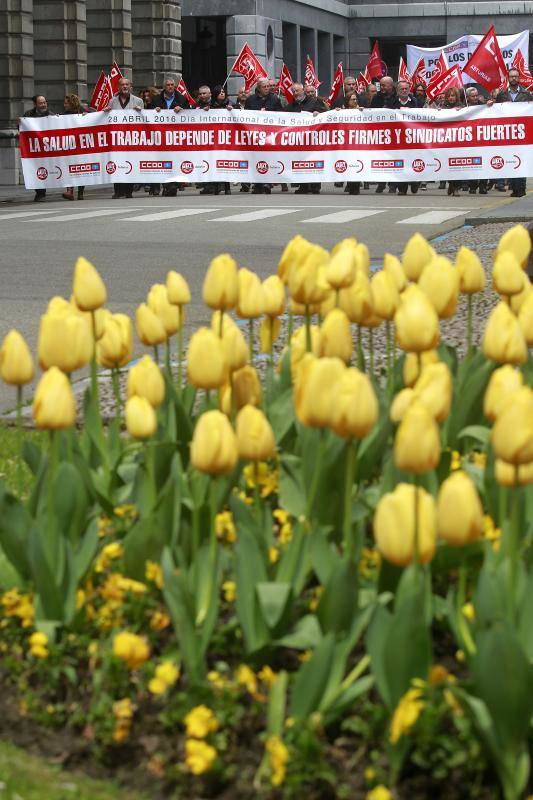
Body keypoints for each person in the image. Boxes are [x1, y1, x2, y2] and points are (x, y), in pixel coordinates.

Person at [489, 68, 532, 197]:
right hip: (507, 133)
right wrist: (491, 104)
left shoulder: (527, 95)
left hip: (522, 133)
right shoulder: (502, 95)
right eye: (512, 76)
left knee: (522, 161)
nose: (514, 78)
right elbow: (496, 111)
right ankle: (514, 188)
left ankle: (521, 189)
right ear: (508, 78)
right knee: (511, 161)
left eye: (516, 76)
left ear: (519, 78)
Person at [104, 78, 143, 199]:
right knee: (117, 163)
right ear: (118, 87)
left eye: (127, 84)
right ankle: (118, 190)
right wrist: (105, 112)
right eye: (122, 85)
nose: (124, 86)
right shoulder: (112, 101)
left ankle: (128, 191)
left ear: (130, 87)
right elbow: (107, 118)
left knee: (130, 163)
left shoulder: (138, 101)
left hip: (131, 137)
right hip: (117, 138)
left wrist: (141, 112)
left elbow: (145, 119)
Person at [245, 78, 283, 194]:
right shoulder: (251, 100)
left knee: (269, 158)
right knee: (255, 158)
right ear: (259, 88)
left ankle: (268, 182)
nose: (267, 88)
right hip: (255, 135)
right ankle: (257, 184)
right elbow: (245, 115)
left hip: (270, 135)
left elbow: (281, 115)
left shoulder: (275, 99)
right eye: (264, 87)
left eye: (268, 86)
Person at [22, 95, 52, 202]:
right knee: (36, 170)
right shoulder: (28, 115)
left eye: (45, 102)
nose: (44, 105)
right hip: (35, 148)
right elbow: (22, 130)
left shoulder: (51, 115)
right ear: (35, 104)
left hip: (48, 148)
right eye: (41, 103)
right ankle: (40, 192)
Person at [61, 95, 87, 201]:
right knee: (69, 167)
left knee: (82, 168)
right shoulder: (64, 115)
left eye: (66, 103)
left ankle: (80, 192)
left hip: (82, 145)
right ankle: (70, 191)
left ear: (72, 103)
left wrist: (88, 116)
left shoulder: (83, 111)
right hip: (70, 145)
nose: (64, 105)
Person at [440, 87, 464, 197]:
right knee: (448, 165)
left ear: (457, 96)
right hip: (447, 141)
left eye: (453, 95)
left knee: (458, 166)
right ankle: (451, 184)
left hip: (459, 141)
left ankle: (456, 188)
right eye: (449, 96)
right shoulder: (443, 107)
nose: (451, 98)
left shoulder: (463, 107)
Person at [344, 92, 363, 195]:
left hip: (358, 142)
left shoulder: (361, 110)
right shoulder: (343, 112)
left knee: (357, 164)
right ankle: (350, 185)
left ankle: (356, 186)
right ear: (348, 101)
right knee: (349, 164)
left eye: (356, 99)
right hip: (347, 143)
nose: (355, 101)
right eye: (353, 99)